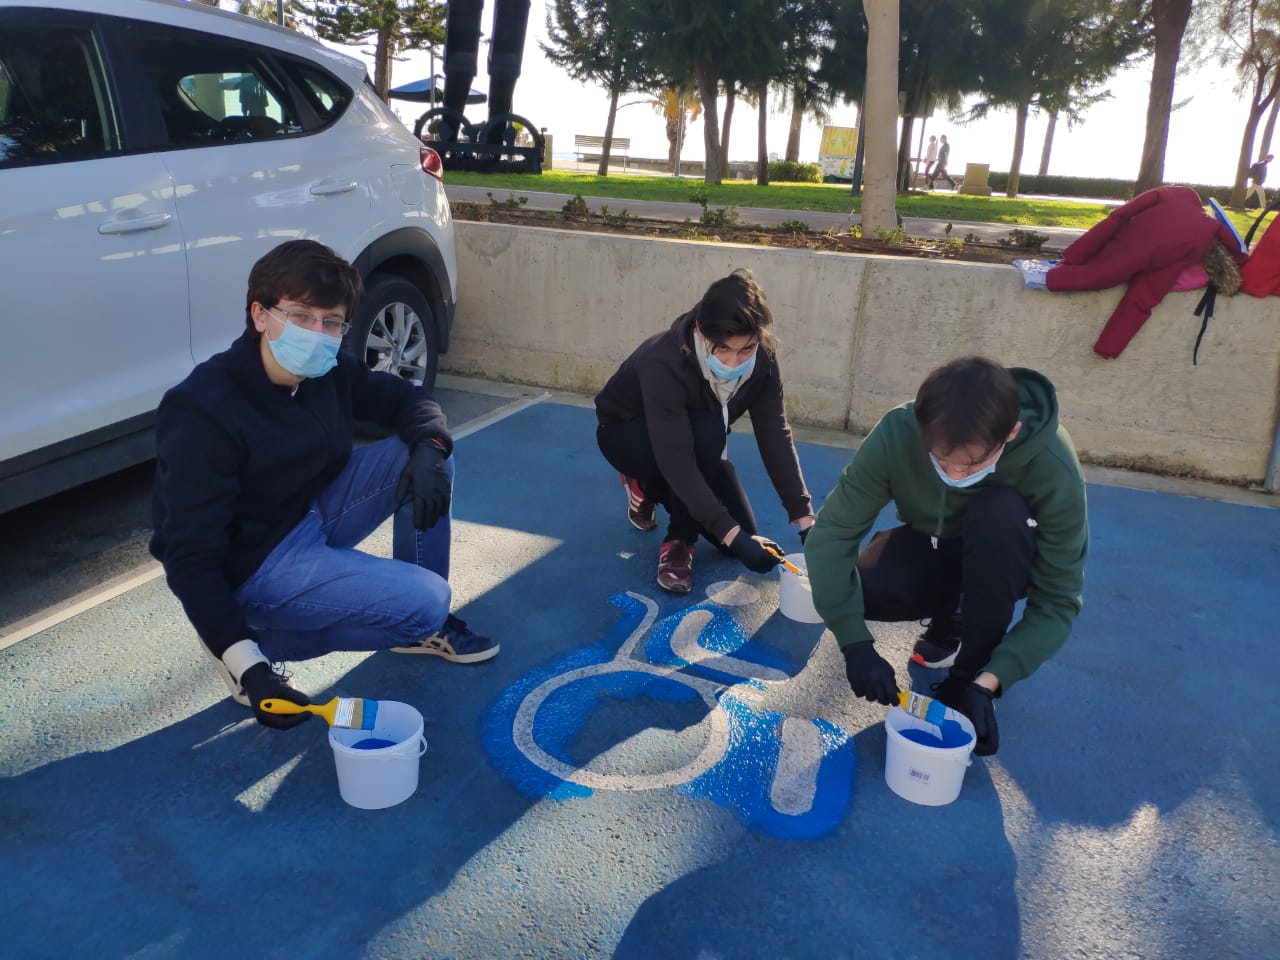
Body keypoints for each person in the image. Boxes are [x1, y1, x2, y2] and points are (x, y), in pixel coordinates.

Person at [150, 240, 498, 730]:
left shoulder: (324, 371)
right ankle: (252, 647)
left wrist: (431, 448)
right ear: (260, 315)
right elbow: (188, 556)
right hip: (255, 561)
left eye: (331, 322)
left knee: (421, 454)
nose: (317, 333)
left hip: (305, 511)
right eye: (300, 315)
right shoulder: (204, 409)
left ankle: (422, 631)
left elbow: (407, 399)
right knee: (427, 601)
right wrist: (247, 665)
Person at [803, 357, 1088, 756]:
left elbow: (1058, 599)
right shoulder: (899, 431)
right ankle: (951, 615)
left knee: (999, 511)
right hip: (933, 543)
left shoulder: (1053, 463)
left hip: (1005, 556)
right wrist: (855, 645)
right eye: (940, 458)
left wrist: (989, 681)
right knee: (864, 591)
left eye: (972, 463)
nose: (954, 475)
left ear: (1011, 433)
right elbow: (832, 535)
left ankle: (969, 669)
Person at [594, 269, 816, 594]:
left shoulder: (763, 360)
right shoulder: (664, 362)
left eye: (746, 349)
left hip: (696, 444)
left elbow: (774, 432)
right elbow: (678, 462)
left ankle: (647, 488)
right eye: (723, 349)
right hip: (627, 435)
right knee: (709, 433)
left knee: (739, 538)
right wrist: (729, 533)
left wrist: (804, 517)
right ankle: (678, 542)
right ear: (701, 330)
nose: (733, 362)